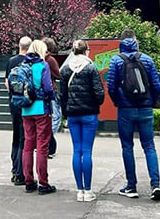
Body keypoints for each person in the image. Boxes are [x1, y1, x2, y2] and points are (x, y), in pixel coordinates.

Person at [106, 29, 160, 200]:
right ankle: (155, 185)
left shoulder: (116, 60)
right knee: (149, 146)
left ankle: (131, 186)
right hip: (145, 108)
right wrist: (151, 101)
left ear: (121, 42)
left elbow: (111, 87)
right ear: (135, 41)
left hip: (125, 109)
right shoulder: (147, 59)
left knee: (127, 146)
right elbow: (156, 85)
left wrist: (118, 102)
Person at [60, 39, 105, 203]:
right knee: (87, 152)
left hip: (73, 115)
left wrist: (67, 111)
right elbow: (99, 94)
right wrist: (94, 104)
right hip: (89, 114)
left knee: (76, 151)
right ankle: (88, 190)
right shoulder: (91, 68)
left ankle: (79, 190)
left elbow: (62, 96)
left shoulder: (65, 69)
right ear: (87, 51)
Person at [20, 39, 56, 195]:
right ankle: (43, 183)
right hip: (41, 109)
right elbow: (48, 88)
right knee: (42, 146)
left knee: (28, 145)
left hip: (26, 109)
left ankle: (28, 181)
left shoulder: (23, 65)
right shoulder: (43, 65)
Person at [5, 36, 32, 186]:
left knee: (16, 136)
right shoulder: (29, 63)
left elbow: (7, 83)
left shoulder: (11, 61)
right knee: (24, 137)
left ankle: (14, 169)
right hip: (26, 105)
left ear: (19, 46)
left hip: (13, 103)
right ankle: (22, 172)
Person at [43, 37, 62, 158]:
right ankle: (49, 138)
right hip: (51, 90)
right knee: (56, 116)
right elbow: (58, 74)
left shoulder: (37, 59)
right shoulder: (50, 60)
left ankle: (44, 140)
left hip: (41, 92)